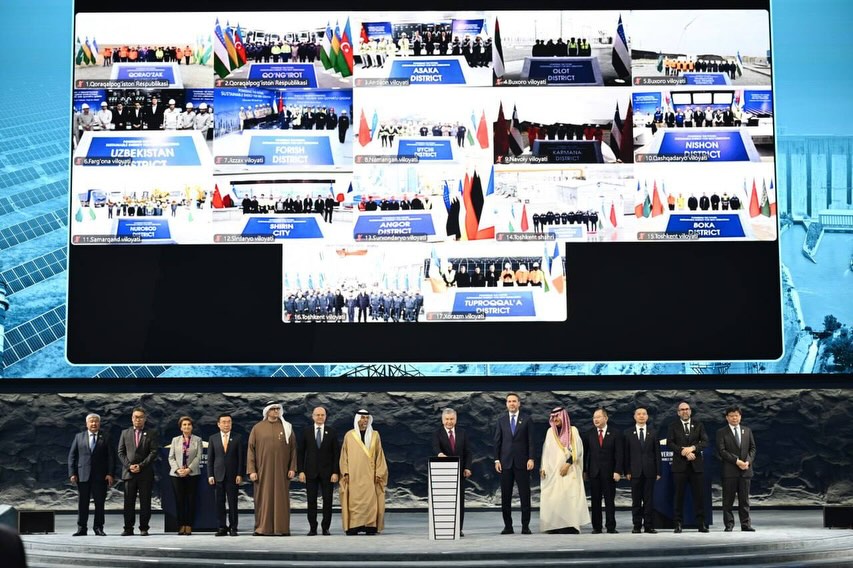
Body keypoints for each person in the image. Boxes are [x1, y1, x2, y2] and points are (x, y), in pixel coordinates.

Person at [247, 402, 297, 536]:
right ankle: (262, 528)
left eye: (278, 409)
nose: (276, 411)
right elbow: (251, 450)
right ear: (267, 411)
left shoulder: (287, 427)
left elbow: (293, 449)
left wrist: (292, 468)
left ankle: (282, 528)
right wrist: (252, 470)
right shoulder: (257, 428)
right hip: (263, 471)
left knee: (281, 499)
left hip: (282, 471)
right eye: (273, 409)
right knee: (263, 498)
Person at [539, 407, 588, 534]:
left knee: (569, 497)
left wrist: (567, 464)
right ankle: (554, 526)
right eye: (553, 417)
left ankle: (571, 525)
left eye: (557, 416)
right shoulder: (550, 432)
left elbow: (578, 450)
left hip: (569, 470)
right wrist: (543, 467)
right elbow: (546, 451)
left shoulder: (573, 430)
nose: (555, 419)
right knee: (555, 498)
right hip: (553, 472)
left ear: (564, 416)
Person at [339, 409, 388, 535]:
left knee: (370, 501)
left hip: (370, 476)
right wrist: (345, 472)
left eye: (367, 418)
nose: (365, 420)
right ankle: (354, 526)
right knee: (354, 501)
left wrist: (379, 473)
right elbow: (344, 456)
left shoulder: (375, 435)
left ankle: (370, 526)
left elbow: (379, 455)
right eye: (362, 418)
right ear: (357, 419)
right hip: (354, 475)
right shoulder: (349, 435)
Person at [68, 413, 116, 536]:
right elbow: (72, 456)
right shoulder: (79, 437)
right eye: (91, 421)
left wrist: (110, 473)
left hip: (100, 476)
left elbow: (111, 457)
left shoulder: (106, 437)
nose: (94, 423)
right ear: (87, 423)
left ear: (99, 423)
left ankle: (98, 527)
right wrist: (72, 473)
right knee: (82, 503)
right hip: (82, 475)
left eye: (96, 421)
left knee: (99, 503)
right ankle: (81, 528)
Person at [494, 393, 535, 534]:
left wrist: (531, 458)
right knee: (506, 496)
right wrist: (496, 460)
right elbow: (497, 442)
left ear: (519, 403)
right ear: (506, 404)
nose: (511, 403)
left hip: (522, 463)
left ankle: (525, 526)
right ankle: (508, 526)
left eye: (514, 401)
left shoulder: (527, 419)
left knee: (525, 495)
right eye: (509, 401)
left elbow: (531, 441)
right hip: (505, 463)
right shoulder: (501, 421)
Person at [667, 401, 709, 533]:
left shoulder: (699, 425)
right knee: (678, 496)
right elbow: (670, 443)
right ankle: (678, 524)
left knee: (699, 496)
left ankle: (701, 523)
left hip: (696, 466)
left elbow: (705, 442)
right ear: (678, 412)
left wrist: (693, 448)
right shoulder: (673, 426)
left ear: (690, 411)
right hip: (679, 467)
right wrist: (683, 451)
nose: (685, 411)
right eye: (682, 409)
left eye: (687, 409)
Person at [298, 407, 341, 536]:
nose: (320, 417)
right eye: (317, 415)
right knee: (311, 501)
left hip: (328, 473)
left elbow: (336, 454)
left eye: (322, 415)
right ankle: (313, 528)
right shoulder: (306, 432)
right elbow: (300, 453)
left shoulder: (332, 432)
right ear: (313, 416)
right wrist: (301, 471)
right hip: (310, 472)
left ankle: (325, 527)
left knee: (327, 501)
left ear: (326, 417)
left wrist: (335, 472)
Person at [117, 407, 159, 536]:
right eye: (136, 417)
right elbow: (121, 452)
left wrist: (141, 465)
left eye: (141, 417)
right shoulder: (125, 433)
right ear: (132, 418)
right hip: (129, 473)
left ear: (145, 419)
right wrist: (129, 466)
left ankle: (144, 528)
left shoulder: (151, 433)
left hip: (145, 473)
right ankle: (128, 528)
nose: (138, 419)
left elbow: (153, 452)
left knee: (145, 502)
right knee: (128, 502)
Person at [432, 408, 472, 536]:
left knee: (459, 501)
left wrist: (467, 467)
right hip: (443, 473)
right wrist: (439, 454)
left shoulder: (462, 433)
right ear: (442, 420)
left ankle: (458, 528)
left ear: (456, 419)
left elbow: (468, 452)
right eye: (447, 419)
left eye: (452, 419)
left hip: (460, 473)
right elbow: (435, 447)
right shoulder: (437, 433)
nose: (449, 421)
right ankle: (444, 527)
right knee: (444, 501)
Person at [716, 406, 756, 532]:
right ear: (727, 417)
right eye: (732, 416)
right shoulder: (721, 432)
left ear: (740, 417)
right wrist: (736, 461)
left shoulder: (747, 431)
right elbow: (722, 451)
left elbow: (752, 448)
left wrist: (747, 462)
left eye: (737, 415)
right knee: (728, 500)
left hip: (745, 470)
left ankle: (746, 524)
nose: (734, 418)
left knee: (744, 500)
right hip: (730, 471)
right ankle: (729, 524)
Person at [584, 407, 623, 534]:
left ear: (606, 418)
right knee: (595, 501)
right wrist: (584, 471)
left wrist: (617, 470)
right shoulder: (589, 434)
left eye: (598, 417)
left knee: (609, 500)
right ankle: (597, 527)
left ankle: (611, 526)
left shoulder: (615, 433)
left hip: (610, 473)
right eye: (594, 417)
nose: (595, 420)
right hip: (594, 472)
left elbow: (619, 454)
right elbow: (585, 454)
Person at [624, 406, 661, 533]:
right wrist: (627, 471)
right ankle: (637, 525)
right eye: (638, 414)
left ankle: (649, 525)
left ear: (647, 416)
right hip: (634, 472)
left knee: (648, 500)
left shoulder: (653, 432)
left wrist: (658, 471)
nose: (641, 416)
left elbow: (657, 453)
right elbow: (626, 454)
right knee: (636, 500)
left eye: (644, 414)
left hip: (650, 471)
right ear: (634, 417)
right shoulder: (628, 433)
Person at [207, 413, 244, 537]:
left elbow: (241, 458)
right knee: (219, 503)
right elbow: (210, 459)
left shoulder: (238, 437)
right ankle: (222, 527)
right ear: (218, 424)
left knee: (233, 503)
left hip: (233, 476)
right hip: (218, 475)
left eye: (229, 422)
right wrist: (210, 475)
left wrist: (239, 474)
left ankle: (233, 527)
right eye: (224, 422)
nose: (226, 424)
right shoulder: (213, 438)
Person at [168, 416, 202, 535]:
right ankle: (181, 525)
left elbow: (198, 456)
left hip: (192, 474)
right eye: (184, 425)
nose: (187, 426)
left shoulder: (197, 440)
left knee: (191, 500)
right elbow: (171, 457)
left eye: (189, 424)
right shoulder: (175, 440)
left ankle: (189, 525)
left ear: (192, 427)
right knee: (180, 500)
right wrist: (178, 470)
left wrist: (188, 469)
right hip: (177, 475)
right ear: (181, 427)